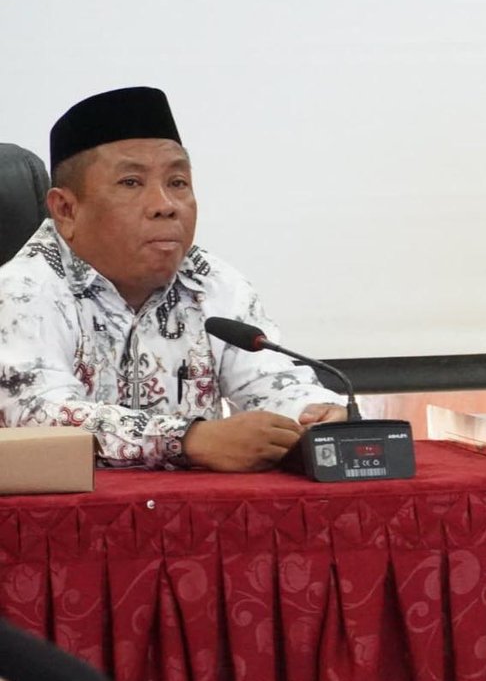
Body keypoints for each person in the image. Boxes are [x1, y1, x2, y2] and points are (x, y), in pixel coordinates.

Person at [0, 87, 347, 469]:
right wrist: (188, 439)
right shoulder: (22, 290)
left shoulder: (212, 282)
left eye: (178, 183)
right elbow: (37, 415)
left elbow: (267, 381)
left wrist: (315, 412)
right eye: (131, 183)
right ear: (66, 209)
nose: (165, 205)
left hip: (192, 518)